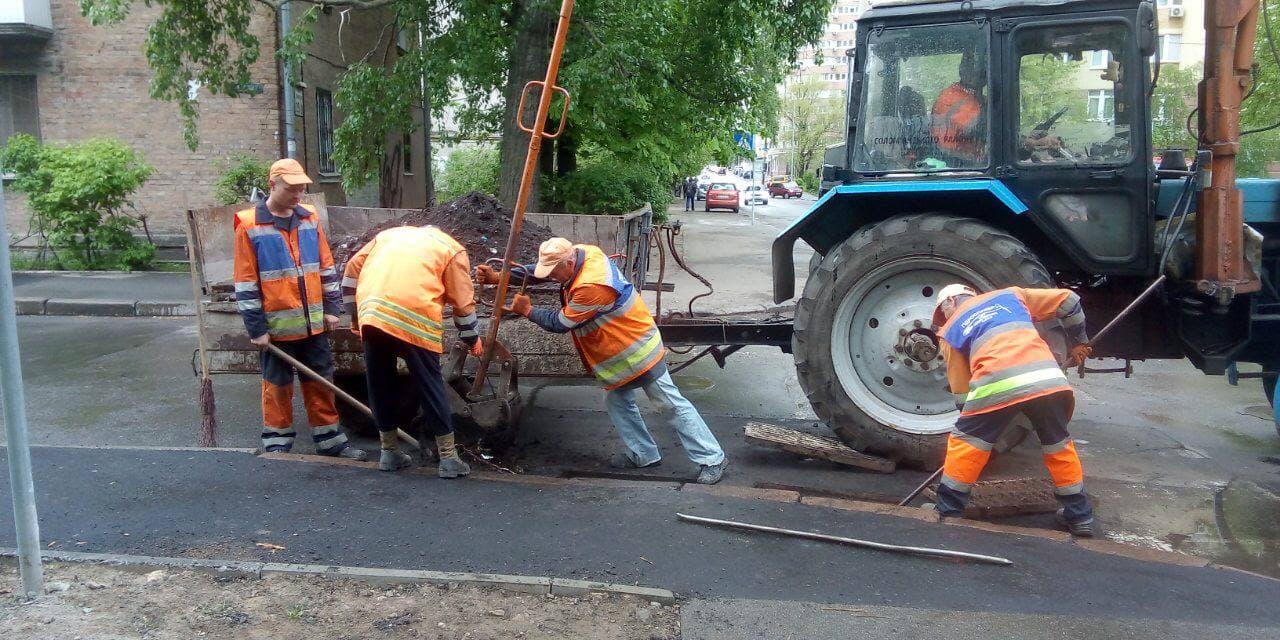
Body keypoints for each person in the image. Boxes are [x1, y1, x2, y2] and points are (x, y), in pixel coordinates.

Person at [476, 238, 728, 484]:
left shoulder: (592, 286)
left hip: (638, 350)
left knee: (670, 404)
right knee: (617, 401)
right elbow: (537, 272)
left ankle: (712, 459)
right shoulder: (582, 253)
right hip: (622, 352)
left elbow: (561, 323)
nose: (551, 277)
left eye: (554, 272)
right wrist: (499, 277)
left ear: (568, 263)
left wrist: (527, 311)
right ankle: (643, 454)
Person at [931, 283, 1095, 536]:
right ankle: (1080, 515)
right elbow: (1069, 300)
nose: (945, 318)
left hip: (996, 384)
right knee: (1058, 446)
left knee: (966, 444)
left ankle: (947, 511)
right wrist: (1079, 341)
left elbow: (962, 391)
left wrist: (981, 422)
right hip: (1047, 379)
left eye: (943, 312)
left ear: (951, 302)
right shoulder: (1011, 296)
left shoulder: (950, 329)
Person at [232, 158, 366, 460]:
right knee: (277, 386)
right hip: (276, 330)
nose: (297, 195)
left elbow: (325, 267)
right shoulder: (249, 225)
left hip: (313, 325)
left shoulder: (309, 218)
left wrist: (331, 309)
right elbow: (246, 282)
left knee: (320, 382)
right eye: (290, 189)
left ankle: (330, 441)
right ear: (272, 185)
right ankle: (277, 443)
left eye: (301, 189)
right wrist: (257, 328)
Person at [342, 225, 484, 476]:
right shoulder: (451, 249)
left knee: (379, 383)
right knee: (430, 383)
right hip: (416, 317)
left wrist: (356, 318)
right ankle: (449, 459)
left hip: (373, 314)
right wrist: (472, 339)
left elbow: (352, 271)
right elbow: (463, 304)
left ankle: (389, 453)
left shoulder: (387, 236)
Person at [931, 50, 986, 164]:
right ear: (962, 70)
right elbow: (944, 147)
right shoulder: (949, 98)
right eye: (971, 65)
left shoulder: (983, 99)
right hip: (958, 165)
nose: (980, 71)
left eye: (983, 66)